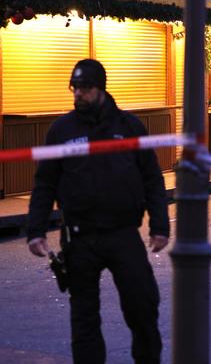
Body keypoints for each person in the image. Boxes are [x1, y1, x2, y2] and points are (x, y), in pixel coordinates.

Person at [26, 59, 169, 364]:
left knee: (142, 307)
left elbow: (152, 179)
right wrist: (35, 230)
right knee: (84, 320)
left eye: (85, 89)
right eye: (74, 88)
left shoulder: (129, 127)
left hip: (122, 234)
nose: (78, 94)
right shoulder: (61, 130)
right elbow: (45, 183)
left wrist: (160, 225)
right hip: (79, 238)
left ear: (101, 89)